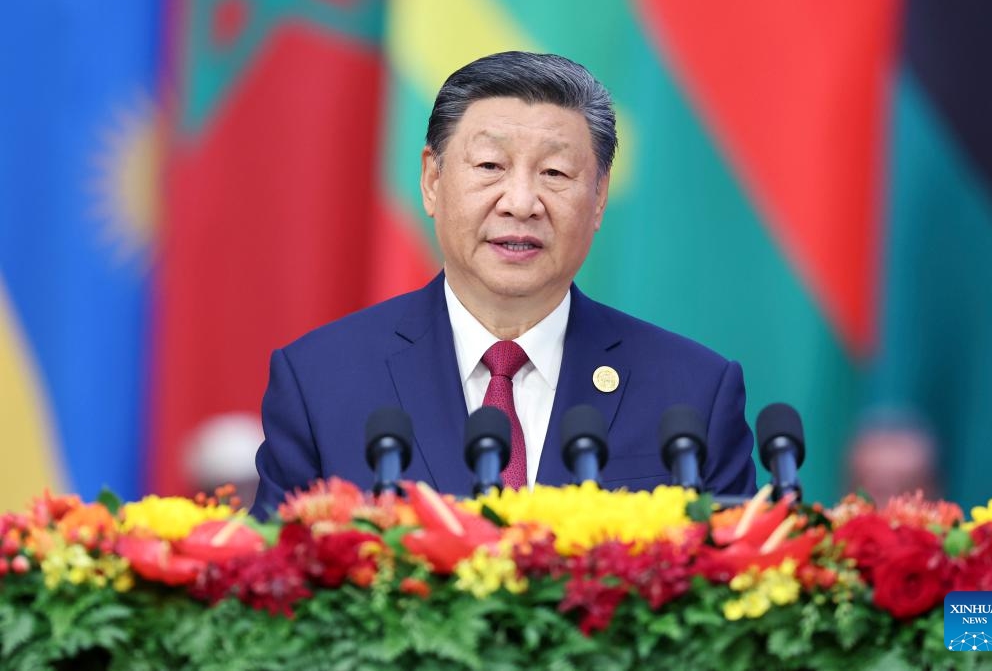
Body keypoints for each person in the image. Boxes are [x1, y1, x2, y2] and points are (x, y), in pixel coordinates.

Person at [252, 51, 756, 517]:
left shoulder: (693, 393)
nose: (521, 202)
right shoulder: (320, 382)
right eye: (491, 166)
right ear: (432, 180)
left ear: (599, 197)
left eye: (555, 172)